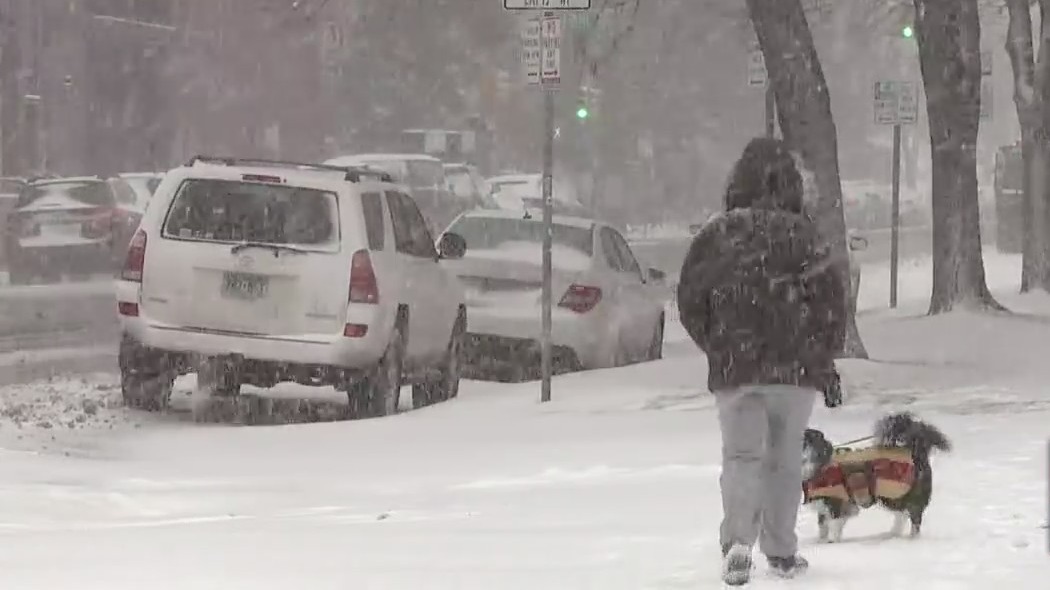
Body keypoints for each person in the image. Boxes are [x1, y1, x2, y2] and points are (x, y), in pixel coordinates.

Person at [676, 137, 847, 586]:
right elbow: (830, 302)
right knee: (784, 461)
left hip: (737, 364)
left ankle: (737, 541)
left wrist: (717, 343)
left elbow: (690, 300)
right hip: (795, 367)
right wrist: (823, 356)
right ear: (791, 184)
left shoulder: (716, 236)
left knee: (741, 455)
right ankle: (782, 550)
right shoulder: (804, 235)